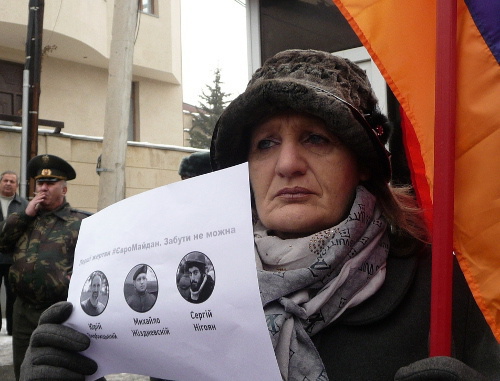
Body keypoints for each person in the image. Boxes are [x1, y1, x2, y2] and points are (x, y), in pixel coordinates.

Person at [19, 50, 500, 380]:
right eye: (266, 143)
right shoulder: (187, 287)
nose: (287, 164)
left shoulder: (450, 290)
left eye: (317, 138)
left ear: (360, 165)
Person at [0, 154, 90, 380]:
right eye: (40, 183)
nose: (43, 188)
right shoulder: (25, 218)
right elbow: (2, 243)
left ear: (64, 190)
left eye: (50, 184)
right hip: (23, 310)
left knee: (56, 367)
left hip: (58, 310)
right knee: (24, 367)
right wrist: (24, 214)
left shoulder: (79, 222)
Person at [0, 171, 28, 335]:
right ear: (1, 182)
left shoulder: (23, 205)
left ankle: (12, 329)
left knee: (13, 296)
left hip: (14, 259)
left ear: (16, 185)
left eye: (12, 181)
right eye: (5, 180)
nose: (8, 183)